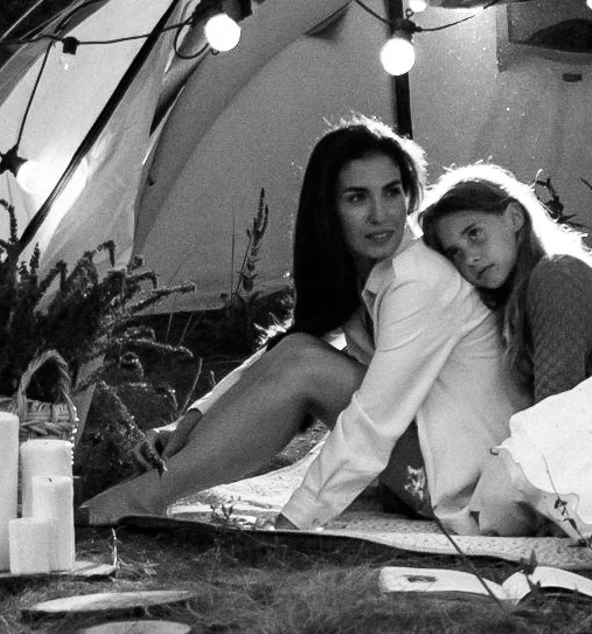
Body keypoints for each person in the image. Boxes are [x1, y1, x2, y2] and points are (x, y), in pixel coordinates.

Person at [83, 120, 523, 532]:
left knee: (305, 366)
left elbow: (373, 422)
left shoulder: (420, 281)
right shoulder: (363, 268)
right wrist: (191, 419)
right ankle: (151, 490)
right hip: (424, 457)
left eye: (392, 192)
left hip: (460, 485)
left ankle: (147, 496)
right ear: (328, 208)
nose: (380, 214)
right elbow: (289, 347)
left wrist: (293, 522)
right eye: (357, 198)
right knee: (298, 353)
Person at [418, 164, 592, 406]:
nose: (469, 259)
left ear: (514, 217)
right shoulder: (523, 292)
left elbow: (553, 412)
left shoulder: (557, 276)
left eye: (474, 233)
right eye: (455, 252)